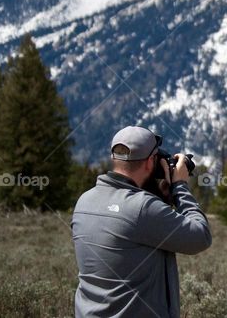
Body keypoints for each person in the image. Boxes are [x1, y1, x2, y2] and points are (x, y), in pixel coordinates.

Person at [71, 126, 212, 317]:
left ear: (114, 159)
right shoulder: (143, 208)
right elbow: (200, 236)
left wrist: (159, 199)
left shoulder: (84, 201)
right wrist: (180, 187)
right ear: (149, 163)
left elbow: (131, 228)